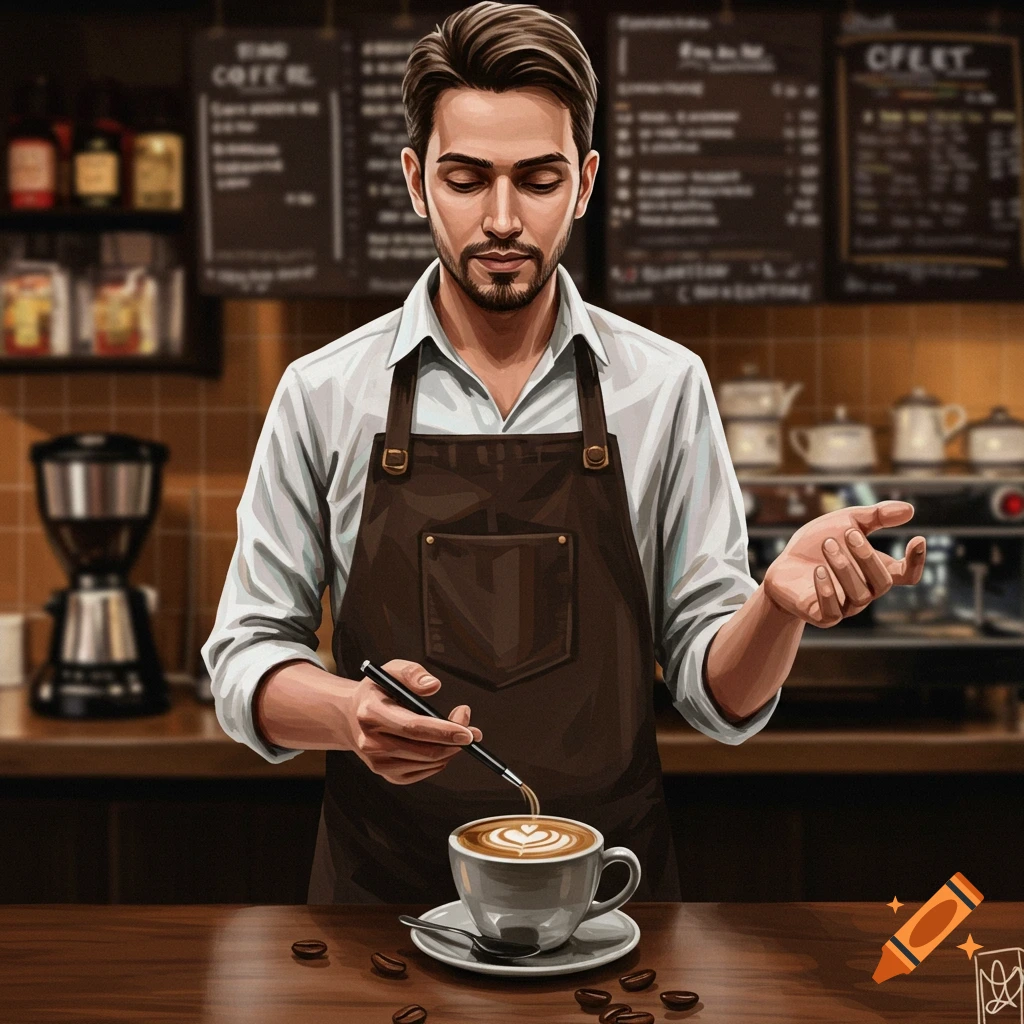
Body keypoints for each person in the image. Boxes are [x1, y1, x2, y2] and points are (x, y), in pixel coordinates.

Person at [202, 2, 926, 904]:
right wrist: (348, 715)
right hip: (380, 911)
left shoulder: (664, 387)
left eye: (536, 180)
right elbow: (245, 657)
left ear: (582, 184)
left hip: (609, 906)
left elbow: (721, 699)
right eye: (466, 179)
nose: (502, 218)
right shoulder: (323, 393)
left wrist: (775, 606)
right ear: (416, 182)